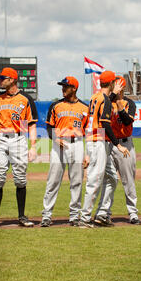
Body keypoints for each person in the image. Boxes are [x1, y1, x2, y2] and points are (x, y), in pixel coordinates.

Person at [0, 67, 38, 228]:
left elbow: (31, 125)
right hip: (1, 139)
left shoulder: (25, 99)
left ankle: (22, 216)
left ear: (13, 80)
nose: (0, 80)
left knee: (20, 178)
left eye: (3, 78)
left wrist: (33, 146)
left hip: (18, 139)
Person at [79, 70, 130, 228]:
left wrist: (113, 95)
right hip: (98, 141)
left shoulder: (95, 97)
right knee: (94, 180)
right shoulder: (106, 101)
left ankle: (101, 215)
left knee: (112, 178)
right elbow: (106, 124)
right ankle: (85, 218)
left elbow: (103, 106)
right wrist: (118, 145)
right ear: (112, 84)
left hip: (95, 140)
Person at [40, 76, 88, 227]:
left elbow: (90, 132)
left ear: (74, 88)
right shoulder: (55, 106)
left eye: (66, 86)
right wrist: (54, 138)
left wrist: (88, 153)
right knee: (53, 181)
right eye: (62, 86)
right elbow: (49, 126)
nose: (63, 89)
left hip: (77, 144)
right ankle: (47, 215)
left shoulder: (85, 108)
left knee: (77, 181)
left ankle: (74, 216)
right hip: (58, 145)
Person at [96, 76, 141, 225]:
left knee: (128, 180)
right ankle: (104, 213)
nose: (118, 88)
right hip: (108, 143)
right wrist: (112, 98)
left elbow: (127, 120)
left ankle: (133, 213)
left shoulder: (129, 103)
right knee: (108, 180)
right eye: (116, 85)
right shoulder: (106, 102)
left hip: (125, 145)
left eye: (120, 86)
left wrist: (118, 101)